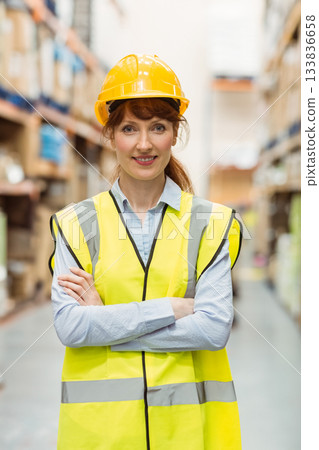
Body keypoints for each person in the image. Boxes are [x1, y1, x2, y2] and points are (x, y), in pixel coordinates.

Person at [49, 54, 242, 450]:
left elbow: (212, 329)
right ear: (110, 135)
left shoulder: (212, 224)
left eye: (158, 127)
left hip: (186, 433)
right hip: (102, 435)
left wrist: (104, 324)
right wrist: (172, 308)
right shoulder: (75, 225)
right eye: (129, 128)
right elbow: (70, 327)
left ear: (175, 132)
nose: (143, 144)